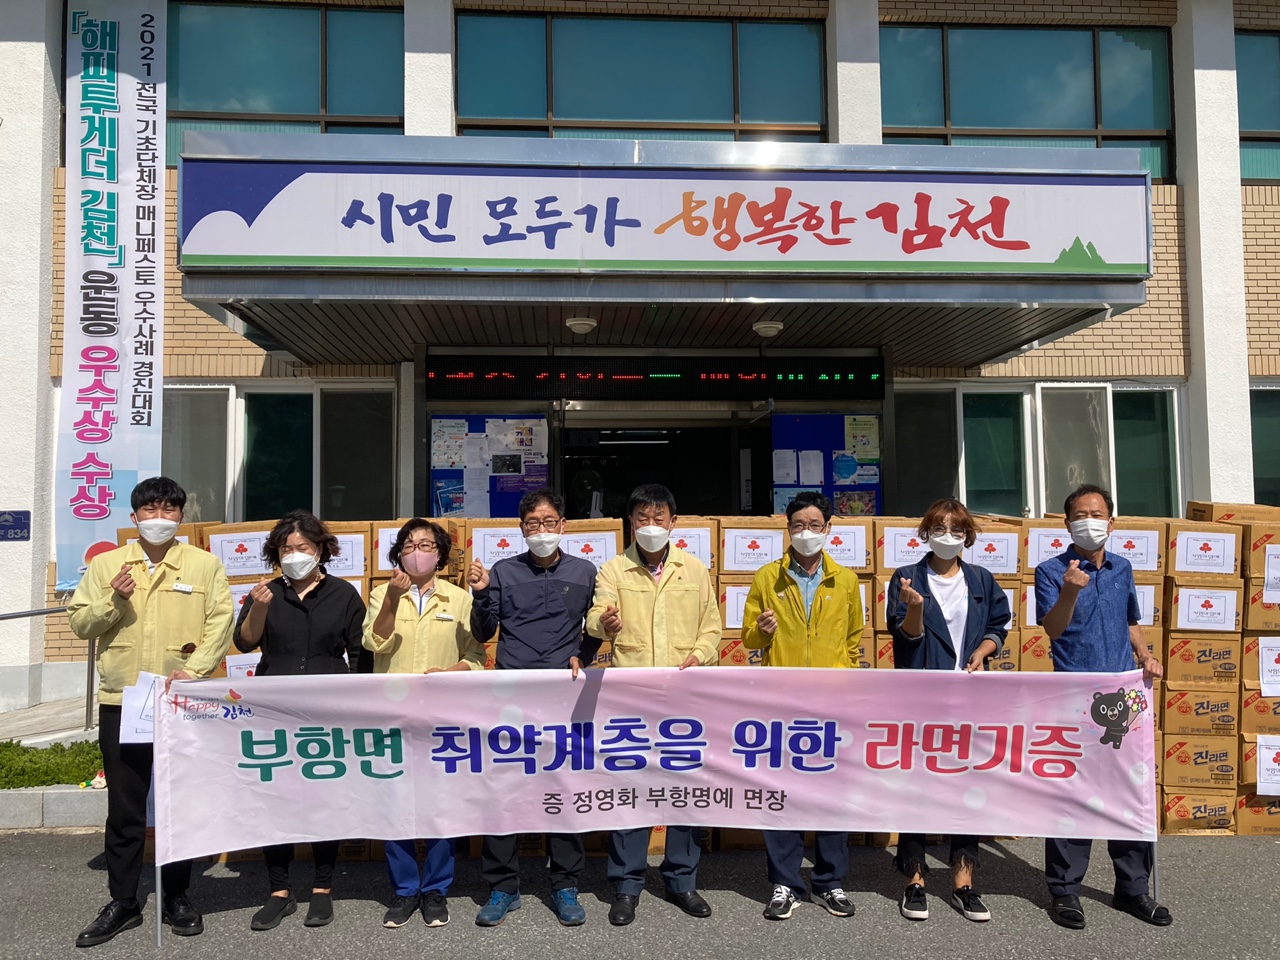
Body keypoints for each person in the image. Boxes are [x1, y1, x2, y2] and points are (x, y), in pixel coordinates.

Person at [67, 477, 234, 947]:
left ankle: (177, 895)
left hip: (181, 699)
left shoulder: (203, 564)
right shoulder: (107, 565)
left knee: (180, 800)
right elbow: (80, 624)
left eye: (169, 510)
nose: (159, 518)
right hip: (123, 700)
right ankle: (123, 902)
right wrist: (114, 599)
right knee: (125, 806)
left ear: (181, 517)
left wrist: (196, 670)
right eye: (150, 510)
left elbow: (221, 621)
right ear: (134, 516)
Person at [585, 483, 721, 927]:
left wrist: (698, 655)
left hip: (685, 697)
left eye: (658, 518)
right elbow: (596, 616)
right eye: (642, 518)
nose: (650, 525)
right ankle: (627, 884)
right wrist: (605, 623)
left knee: (683, 789)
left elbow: (712, 628)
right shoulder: (613, 570)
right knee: (631, 789)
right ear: (630, 523)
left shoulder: (694, 569)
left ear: (673, 522)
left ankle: (682, 880)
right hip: (632, 698)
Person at [1035, 484, 1168, 931]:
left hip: (1123, 698)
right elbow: (1053, 630)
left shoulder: (1122, 568)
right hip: (1075, 697)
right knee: (1073, 793)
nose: (1088, 521)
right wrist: (1070, 592)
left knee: (1128, 792)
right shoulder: (1050, 571)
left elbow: (1130, 620)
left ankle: (1132, 888)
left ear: (1111, 522)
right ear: (1066, 522)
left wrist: (1145, 655)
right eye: (1079, 514)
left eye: (1096, 514)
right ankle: (1065, 890)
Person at [468, 487, 599, 927]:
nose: (541, 531)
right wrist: (481, 594)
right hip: (511, 695)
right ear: (521, 529)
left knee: (563, 788)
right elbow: (483, 631)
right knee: (503, 790)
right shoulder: (504, 572)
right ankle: (503, 886)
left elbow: (594, 627)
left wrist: (585, 653)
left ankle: (565, 884)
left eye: (548, 522)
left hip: (563, 696)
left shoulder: (585, 571)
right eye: (532, 524)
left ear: (563, 525)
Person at [232, 510, 366, 931]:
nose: (294, 555)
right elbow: (244, 642)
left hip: (328, 710)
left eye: (302, 547)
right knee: (276, 797)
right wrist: (258, 608)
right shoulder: (265, 593)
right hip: (274, 708)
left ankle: (322, 887)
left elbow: (360, 654)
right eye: (286, 549)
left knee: (325, 796)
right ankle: (280, 890)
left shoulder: (344, 594)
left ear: (321, 549)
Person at [886, 498, 1011, 924]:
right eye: (939, 528)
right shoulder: (907, 577)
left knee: (967, 786)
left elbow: (998, 626)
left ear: (967, 536)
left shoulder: (981, 579)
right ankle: (914, 880)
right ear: (925, 533)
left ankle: (963, 882)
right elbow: (907, 637)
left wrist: (983, 650)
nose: (948, 536)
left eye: (957, 530)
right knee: (917, 786)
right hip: (920, 699)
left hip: (970, 698)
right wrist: (915, 607)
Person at [741, 491, 863, 922]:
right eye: (798, 525)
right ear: (787, 528)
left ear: (828, 529)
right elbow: (749, 639)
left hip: (832, 703)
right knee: (781, 793)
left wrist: (847, 682)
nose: (806, 532)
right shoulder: (767, 577)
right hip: (783, 700)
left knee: (831, 792)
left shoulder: (845, 581)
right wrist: (761, 629)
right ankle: (785, 882)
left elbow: (854, 638)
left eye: (814, 525)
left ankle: (830, 881)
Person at [363, 519, 486, 930]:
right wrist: (392, 600)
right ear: (398, 553)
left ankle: (435, 889)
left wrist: (451, 673)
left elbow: (476, 657)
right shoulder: (381, 594)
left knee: (440, 804)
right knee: (395, 803)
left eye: (427, 545)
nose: (417, 551)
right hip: (392, 716)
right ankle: (403, 889)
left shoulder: (459, 599)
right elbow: (374, 642)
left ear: (440, 554)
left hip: (441, 718)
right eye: (409, 545)